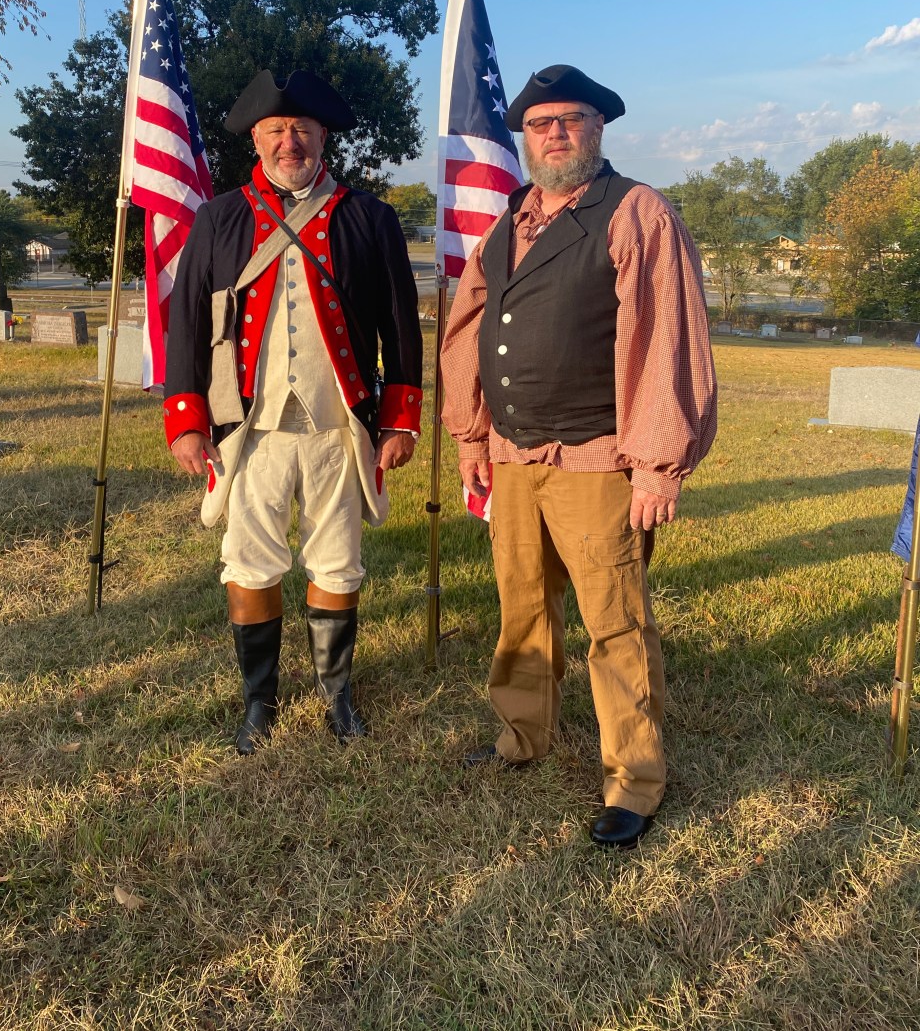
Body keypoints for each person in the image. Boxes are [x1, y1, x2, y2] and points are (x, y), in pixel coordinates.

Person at [440, 63, 717, 849]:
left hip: (597, 457)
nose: (555, 132)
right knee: (522, 606)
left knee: (615, 623)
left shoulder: (637, 213)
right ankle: (520, 735)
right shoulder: (508, 222)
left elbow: (666, 338)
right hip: (513, 457)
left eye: (572, 119)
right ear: (524, 138)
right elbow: (467, 331)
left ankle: (635, 778)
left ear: (599, 129)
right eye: (541, 122)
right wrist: (470, 435)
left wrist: (660, 463)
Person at [164, 69, 423, 752]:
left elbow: (400, 326)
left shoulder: (369, 218)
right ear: (256, 137)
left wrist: (399, 418)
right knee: (250, 562)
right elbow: (186, 320)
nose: (291, 140)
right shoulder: (219, 218)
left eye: (303, 128)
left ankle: (337, 695)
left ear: (323, 135)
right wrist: (187, 417)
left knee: (337, 562)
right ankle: (260, 701)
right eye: (277, 129)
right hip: (246, 427)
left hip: (340, 425)